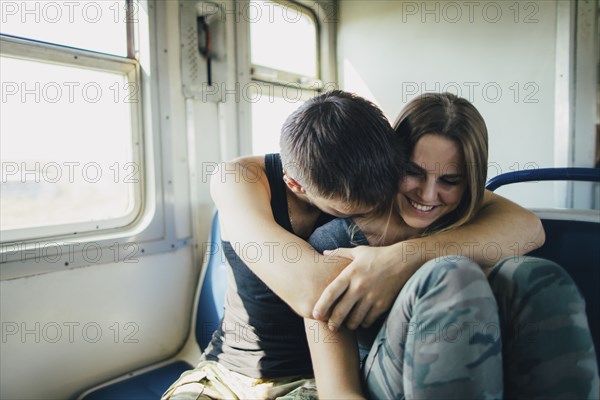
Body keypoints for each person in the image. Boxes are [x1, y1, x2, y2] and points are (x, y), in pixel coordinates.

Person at [162, 90, 545, 399]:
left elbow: (525, 224)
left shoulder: (385, 180)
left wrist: (401, 257)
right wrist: (377, 268)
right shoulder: (240, 181)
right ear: (298, 186)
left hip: (312, 380)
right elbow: (313, 291)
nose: (371, 213)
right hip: (227, 370)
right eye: (350, 210)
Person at [305, 92, 599, 399]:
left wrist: (400, 259)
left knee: (537, 275)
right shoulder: (334, 242)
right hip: (383, 384)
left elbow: (531, 228)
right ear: (392, 163)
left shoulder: (475, 221)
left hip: (486, 373)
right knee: (451, 275)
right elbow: (336, 391)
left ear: (469, 182)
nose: (428, 195)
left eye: (450, 180)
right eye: (413, 172)